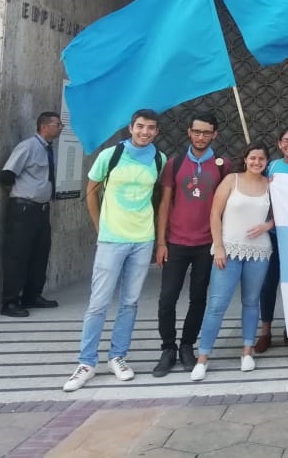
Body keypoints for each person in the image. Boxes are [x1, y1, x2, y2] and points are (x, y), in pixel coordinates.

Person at [63, 109, 166, 392]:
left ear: (157, 132)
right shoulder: (111, 155)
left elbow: (154, 197)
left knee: (130, 302)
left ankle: (118, 356)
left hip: (142, 238)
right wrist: (100, 228)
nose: (145, 132)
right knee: (98, 303)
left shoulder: (160, 159)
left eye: (151, 128)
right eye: (140, 126)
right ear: (131, 127)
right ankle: (86, 362)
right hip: (112, 238)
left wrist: (157, 238)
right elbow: (92, 192)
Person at [153, 112, 232, 376]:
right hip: (175, 242)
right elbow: (164, 204)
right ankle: (167, 348)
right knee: (167, 298)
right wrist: (161, 241)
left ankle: (187, 345)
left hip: (206, 244)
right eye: (196, 132)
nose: (201, 137)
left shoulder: (223, 166)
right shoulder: (174, 164)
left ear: (215, 135)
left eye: (206, 133)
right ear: (189, 132)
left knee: (198, 298)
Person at [190, 143, 274, 381]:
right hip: (228, 250)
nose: (257, 162)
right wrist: (218, 246)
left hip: (259, 252)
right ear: (245, 159)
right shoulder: (231, 180)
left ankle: (247, 351)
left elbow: (282, 214)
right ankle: (203, 357)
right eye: (253, 158)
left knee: (250, 301)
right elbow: (215, 214)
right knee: (216, 304)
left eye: (261, 159)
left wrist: (267, 225)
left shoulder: (270, 185)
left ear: (267, 162)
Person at [0, 111, 63, 317]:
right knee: (17, 255)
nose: (60, 127)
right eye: (57, 124)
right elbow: (7, 174)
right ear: (44, 126)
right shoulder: (28, 146)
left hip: (41, 210)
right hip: (24, 209)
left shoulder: (48, 149)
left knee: (39, 254)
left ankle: (32, 295)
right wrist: (21, 195)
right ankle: (10, 302)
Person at [256, 125, 288, 353]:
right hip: (274, 235)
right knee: (268, 284)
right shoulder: (272, 166)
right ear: (279, 144)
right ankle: (265, 330)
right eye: (286, 140)